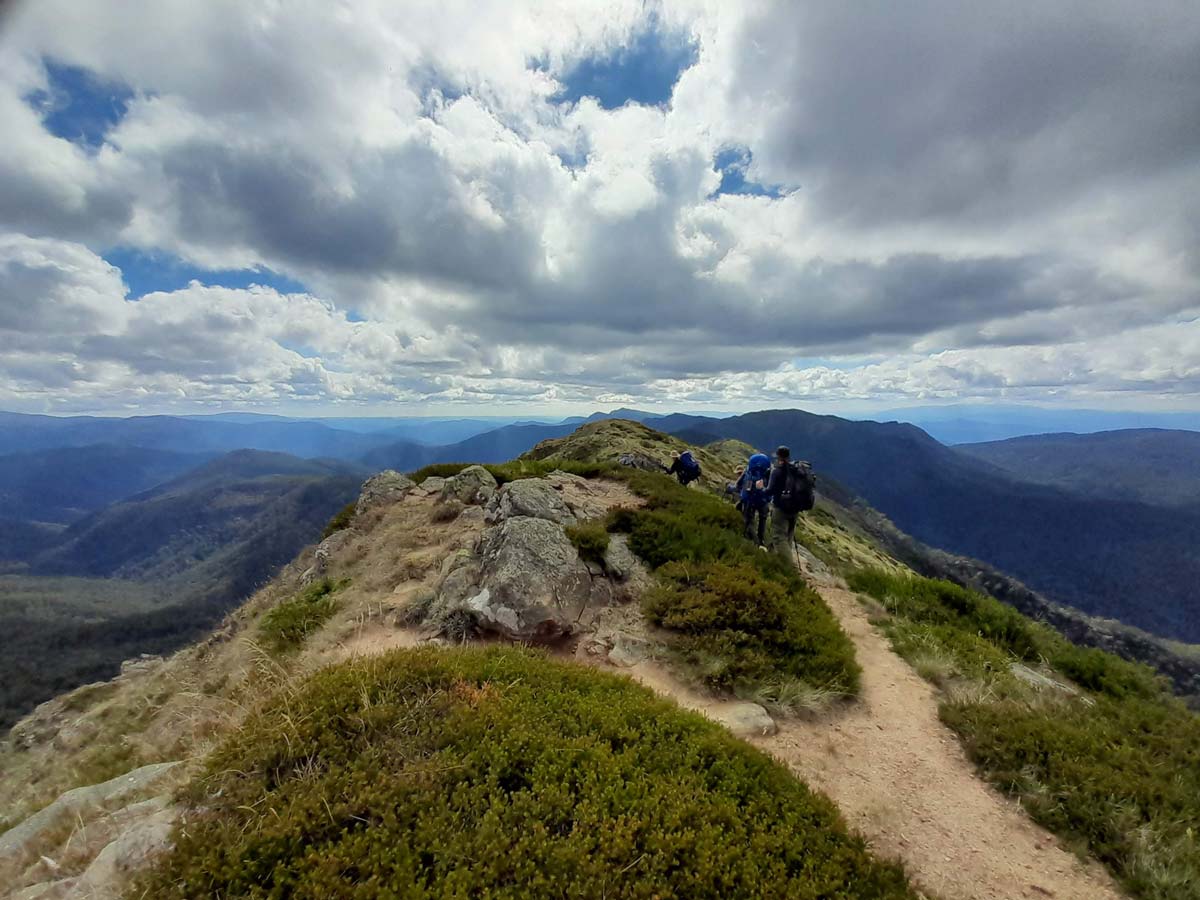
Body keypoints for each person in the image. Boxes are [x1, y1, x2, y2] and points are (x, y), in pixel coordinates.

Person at [767, 445, 815, 564]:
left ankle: (788, 567)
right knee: (788, 535)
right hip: (795, 509)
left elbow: (770, 490)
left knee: (778, 536)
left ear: (778, 457)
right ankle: (780, 560)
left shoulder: (777, 471)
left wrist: (760, 488)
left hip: (781, 508)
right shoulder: (795, 470)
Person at [737, 452, 772, 546]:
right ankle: (761, 539)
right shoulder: (768, 475)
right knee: (762, 520)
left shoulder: (748, 472)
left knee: (749, 519)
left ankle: (750, 538)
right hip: (763, 502)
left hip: (749, 500)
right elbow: (771, 489)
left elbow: (738, 485)